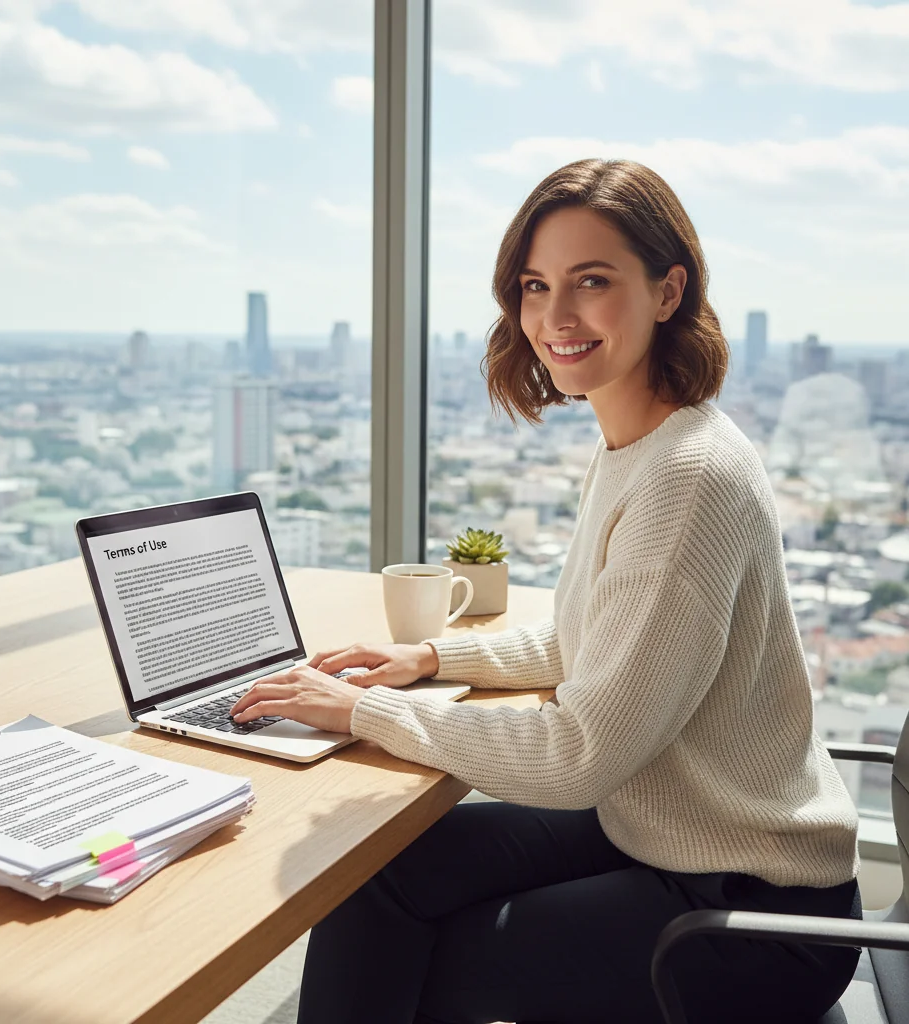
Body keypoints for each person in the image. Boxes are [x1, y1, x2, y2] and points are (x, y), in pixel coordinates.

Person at [229, 158, 862, 1024]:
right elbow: (586, 640)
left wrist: (361, 712)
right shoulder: (640, 445)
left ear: (668, 291)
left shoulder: (689, 478)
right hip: (658, 824)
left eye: (591, 282)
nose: (554, 317)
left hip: (750, 911)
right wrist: (427, 657)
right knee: (376, 881)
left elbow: (583, 754)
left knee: (414, 955)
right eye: (535, 286)